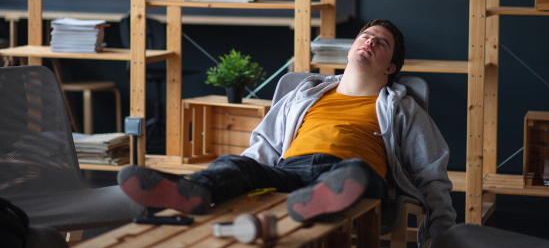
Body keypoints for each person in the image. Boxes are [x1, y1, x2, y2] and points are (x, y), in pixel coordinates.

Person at [117, 19, 456, 246]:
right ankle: (192, 191)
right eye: (364, 36)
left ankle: (320, 199)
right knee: (236, 163)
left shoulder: (401, 107)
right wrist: (239, 178)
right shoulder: (305, 94)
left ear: (391, 67)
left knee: (355, 171)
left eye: (380, 43)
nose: (369, 41)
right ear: (351, 48)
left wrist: (441, 233)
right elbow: (264, 144)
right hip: (291, 173)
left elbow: (432, 172)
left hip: (353, 175)